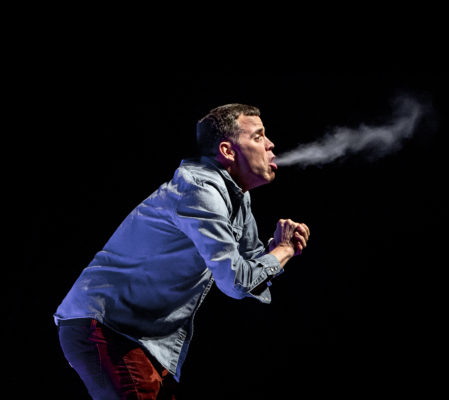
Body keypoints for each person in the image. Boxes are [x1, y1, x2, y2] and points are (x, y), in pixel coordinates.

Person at [54, 103, 310, 399]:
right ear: (228, 151)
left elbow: (253, 266)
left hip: (140, 338)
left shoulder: (238, 197)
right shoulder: (199, 190)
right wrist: (282, 250)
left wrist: (275, 250)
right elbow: (237, 282)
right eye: (258, 136)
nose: (270, 144)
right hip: (108, 327)